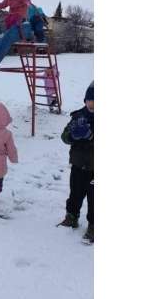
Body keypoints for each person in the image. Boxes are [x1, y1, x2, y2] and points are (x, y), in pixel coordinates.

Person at [58, 81, 94, 244]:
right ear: (85, 100)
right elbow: (64, 137)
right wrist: (72, 135)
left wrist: (91, 136)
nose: (92, 104)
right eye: (89, 100)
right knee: (75, 193)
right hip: (78, 165)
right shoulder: (78, 116)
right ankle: (71, 217)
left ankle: (93, 226)